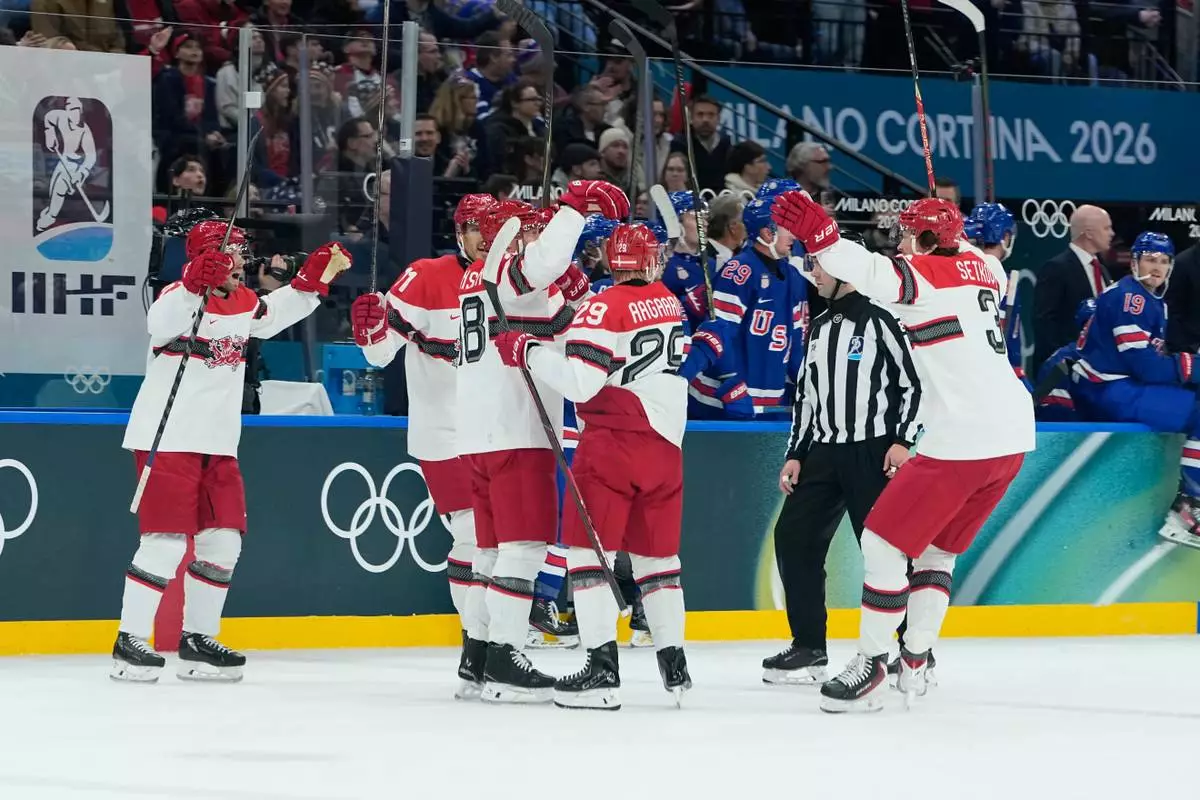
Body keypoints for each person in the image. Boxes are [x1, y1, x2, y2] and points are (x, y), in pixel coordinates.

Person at [771, 191, 1035, 712]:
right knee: (938, 551)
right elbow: (913, 267)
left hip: (962, 437)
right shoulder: (987, 267)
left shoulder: (923, 278)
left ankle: (872, 663)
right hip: (1014, 435)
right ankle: (914, 661)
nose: (901, 244)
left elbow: (864, 269)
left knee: (883, 544)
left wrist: (821, 231)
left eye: (909, 235)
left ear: (928, 238)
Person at [111, 220, 350, 683]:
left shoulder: (241, 302)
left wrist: (313, 280)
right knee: (163, 543)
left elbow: (273, 313)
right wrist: (192, 281)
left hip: (218, 444)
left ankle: (198, 640)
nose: (240, 261)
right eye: (231, 253)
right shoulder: (175, 301)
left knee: (224, 541)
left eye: (241, 251)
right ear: (205, 259)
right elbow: (157, 324)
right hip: (169, 437)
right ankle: (130, 640)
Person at [493, 222, 693, 710]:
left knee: (588, 557)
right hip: (667, 444)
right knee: (659, 562)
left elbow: (581, 382)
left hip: (613, 442)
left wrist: (528, 350)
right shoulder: (669, 298)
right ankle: (675, 667)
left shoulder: (606, 306)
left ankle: (602, 673)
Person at [455, 180, 629, 703]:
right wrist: (573, 208)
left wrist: (577, 291)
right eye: (526, 230)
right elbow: (546, 264)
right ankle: (506, 657)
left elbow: (565, 328)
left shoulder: (478, 278)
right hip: (517, 431)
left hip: (478, 432)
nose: (534, 237)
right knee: (524, 548)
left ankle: (478, 656)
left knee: (488, 551)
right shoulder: (511, 274)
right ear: (505, 235)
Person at [349, 193, 496, 693]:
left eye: (492, 227)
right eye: (475, 227)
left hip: (501, 434)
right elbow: (379, 355)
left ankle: (494, 644)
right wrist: (370, 330)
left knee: (504, 544)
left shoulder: (511, 280)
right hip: (447, 435)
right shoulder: (426, 276)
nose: (485, 236)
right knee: (473, 537)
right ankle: (478, 649)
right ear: (459, 233)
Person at [765, 232, 922, 685]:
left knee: (885, 553)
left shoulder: (883, 320)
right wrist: (796, 453)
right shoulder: (821, 326)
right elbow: (806, 398)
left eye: (819, 264)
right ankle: (809, 647)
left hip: (873, 453)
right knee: (793, 537)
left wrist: (902, 439)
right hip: (824, 453)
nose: (812, 272)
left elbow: (914, 383)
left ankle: (911, 650)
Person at [1069, 233, 1200, 550]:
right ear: (1136, 261)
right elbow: (1147, 368)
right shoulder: (1133, 299)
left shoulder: (1149, 297)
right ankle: (1187, 511)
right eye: (1151, 259)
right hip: (1109, 388)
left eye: (1164, 261)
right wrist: (1193, 366)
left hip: (1113, 384)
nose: (1157, 267)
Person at [682, 197, 809, 419]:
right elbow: (716, 336)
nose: (794, 235)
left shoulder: (793, 277)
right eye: (788, 227)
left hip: (769, 402)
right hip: (718, 401)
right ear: (768, 232)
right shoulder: (740, 270)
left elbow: (794, 345)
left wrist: (808, 386)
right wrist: (732, 385)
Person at [1032, 204, 1115, 370]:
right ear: (1089, 233)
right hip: (1067, 371)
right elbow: (1044, 323)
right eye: (1107, 228)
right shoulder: (1056, 268)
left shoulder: (1102, 269)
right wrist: (1063, 363)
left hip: (1100, 369)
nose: (1112, 233)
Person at [965, 202, 1031, 389]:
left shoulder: (956, 272)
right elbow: (1011, 349)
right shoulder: (1008, 283)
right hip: (995, 379)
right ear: (1006, 236)